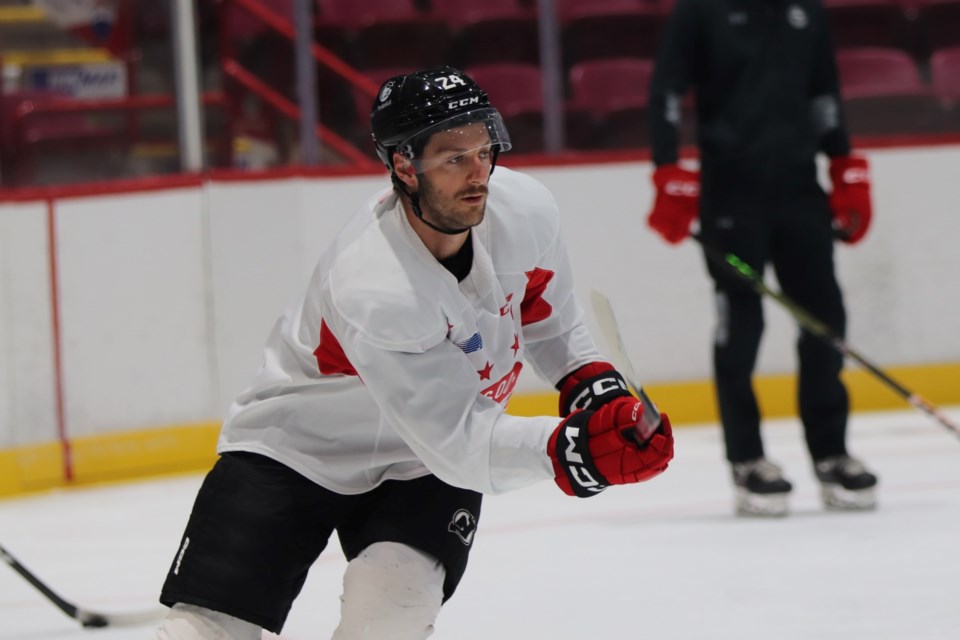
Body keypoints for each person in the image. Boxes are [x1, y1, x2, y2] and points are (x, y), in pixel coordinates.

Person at [154, 66, 674, 640]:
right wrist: (572, 451)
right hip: (295, 449)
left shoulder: (524, 210)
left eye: (485, 149)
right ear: (404, 165)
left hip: (419, 463)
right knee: (204, 633)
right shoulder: (377, 286)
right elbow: (459, 439)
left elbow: (546, 315)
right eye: (455, 158)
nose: (480, 174)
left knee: (393, 614)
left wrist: (589, 382)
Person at [645, 0, 877, 517]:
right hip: (732, 196)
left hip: (800, 191)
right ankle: (748, 459)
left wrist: (842, 164)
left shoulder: (805, 12)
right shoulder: (699, 12)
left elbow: (824, 95)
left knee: (825, 321)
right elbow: (665, 91)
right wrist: (667, 169)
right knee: (741, 326)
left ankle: (832, 453)